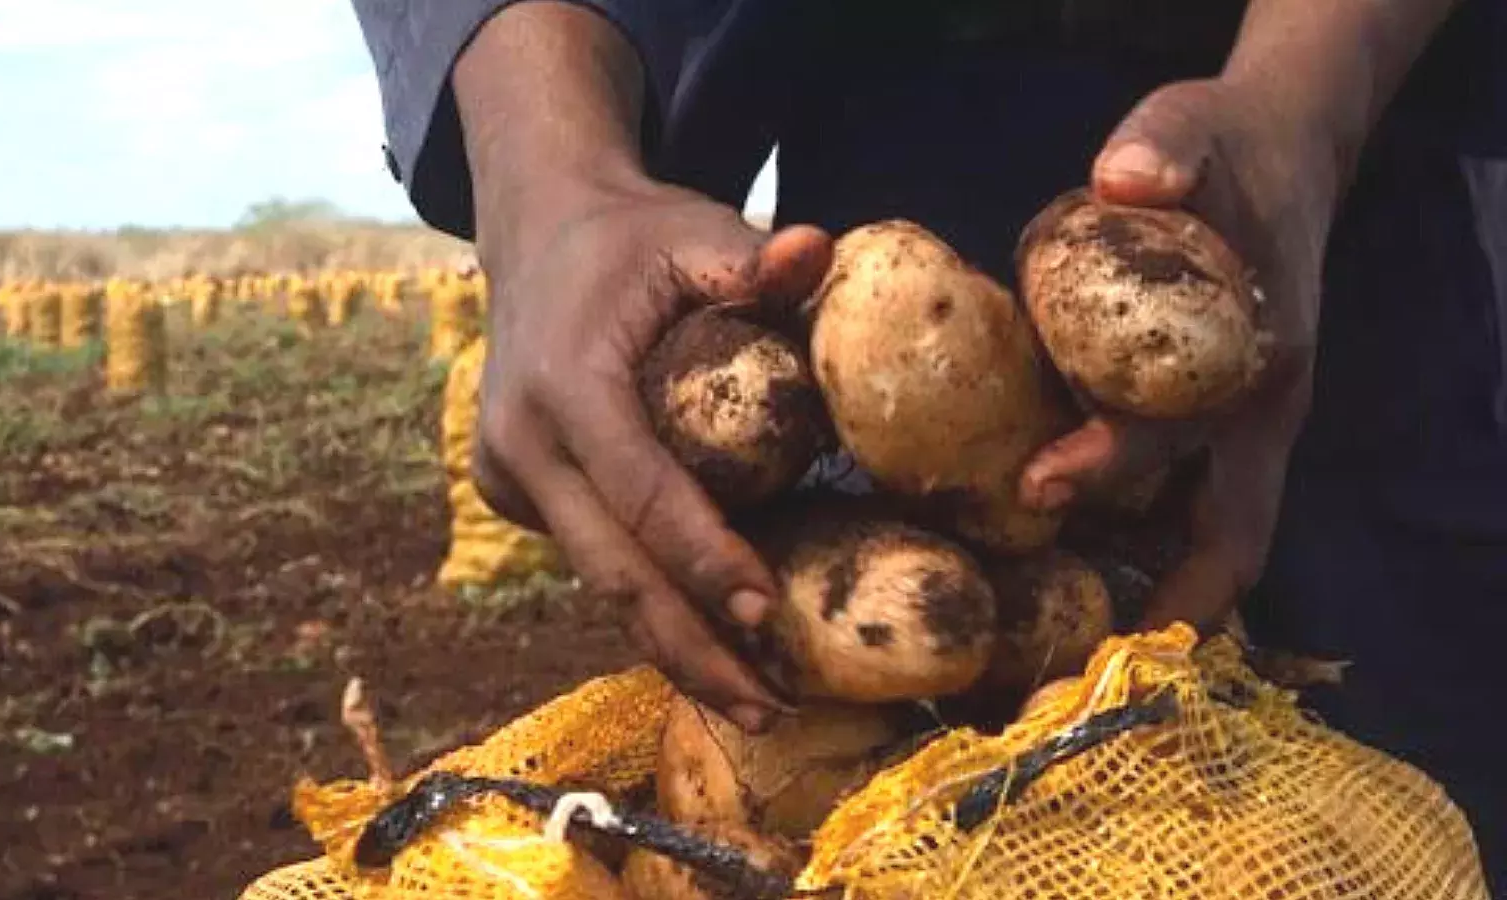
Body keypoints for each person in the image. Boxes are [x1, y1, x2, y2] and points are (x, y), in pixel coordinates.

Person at [351, 0, 1505, 888]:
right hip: (901, 111)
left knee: (1374, 769)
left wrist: (1310, 99)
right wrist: (550, 176)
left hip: (1344, 170)